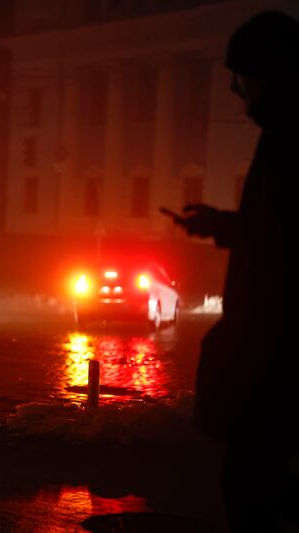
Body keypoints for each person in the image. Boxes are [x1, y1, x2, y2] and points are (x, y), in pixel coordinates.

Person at [171, 11, 299, 532]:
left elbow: (284, 234)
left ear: (269, 71)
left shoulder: (290, 134)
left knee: (253, 481)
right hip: (271, 345)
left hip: (278, 348)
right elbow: (276, 223)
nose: (232, 88)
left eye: (240, 74)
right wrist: (225, 225)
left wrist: (230, 228)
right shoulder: (282, 131)